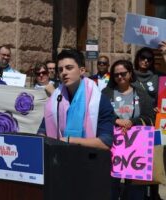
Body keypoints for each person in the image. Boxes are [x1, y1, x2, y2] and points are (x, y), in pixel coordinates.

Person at [38, 48, 114, 150]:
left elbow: (105, 142)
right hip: (57, 159)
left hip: (88, 161)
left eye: (69, 68)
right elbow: (42, 131)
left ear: (82, 70)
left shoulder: (99, 100)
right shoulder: (55, 100)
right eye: (60, 70)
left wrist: (70, 141)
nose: (64, 73)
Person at [102, 60, 155, 200]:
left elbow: (150, 117)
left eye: (123, 73)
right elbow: (99, 116)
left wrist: (132, 122)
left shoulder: (141, 93)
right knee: (110, 187)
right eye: (116, 75)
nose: (120, 77)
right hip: (112, 147)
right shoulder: (106, 93)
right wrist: (116, 120)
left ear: (130, 73)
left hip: (136, 150)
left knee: (135, 191)